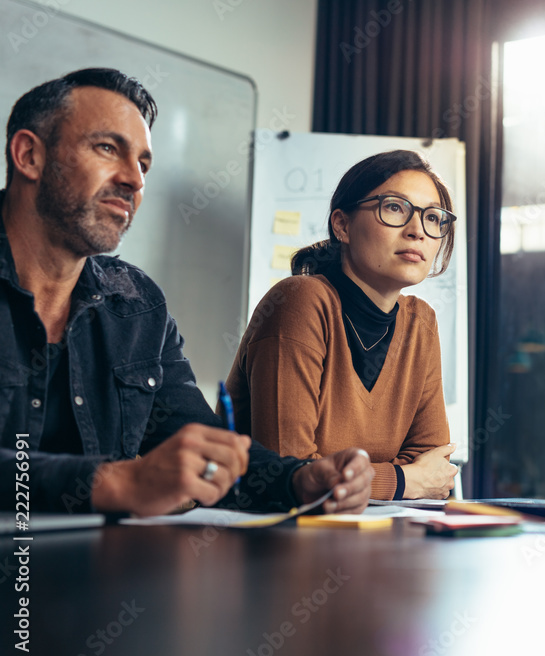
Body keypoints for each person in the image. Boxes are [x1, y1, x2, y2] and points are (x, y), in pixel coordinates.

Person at [0, 68, 373, 517]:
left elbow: (206, 451)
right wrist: (114, 482)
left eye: (143, 163)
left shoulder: (137, 306)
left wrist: (297, 480)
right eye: (107, 148)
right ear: (29, 155)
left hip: (95, 572)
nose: (135, 180)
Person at [223, 150, 459, 500]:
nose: (417, 232)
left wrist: (403, 478)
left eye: (433, 217)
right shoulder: (300, 302)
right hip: (264, 538)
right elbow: (289, 471)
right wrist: (402, 480)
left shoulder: (421, 323)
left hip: (368, 535)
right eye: (395, 207)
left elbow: (435, 470)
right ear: (342, 225)